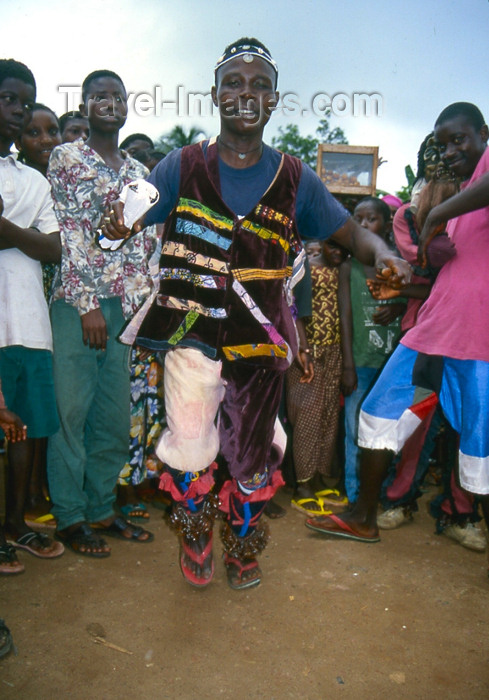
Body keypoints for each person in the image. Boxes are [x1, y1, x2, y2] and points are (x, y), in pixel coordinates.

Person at [102, 38, 410, 590]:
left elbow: (354, 233)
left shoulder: (296, 179)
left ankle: (243, 547)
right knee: (191, 441)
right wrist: (117, 223)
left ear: (273, 101)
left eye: (260, 85)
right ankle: (195, 528)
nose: (247, 93)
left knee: (252, 457)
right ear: (216, 95)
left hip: (261, 340)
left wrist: (385, 254)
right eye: (235, 83)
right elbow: (133, 205)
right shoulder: (182, 165)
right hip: (191, 331)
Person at [305, 102, 489, 562]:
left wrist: (433, 215)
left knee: (480, 442)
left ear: (484, 133)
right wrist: (407, 284)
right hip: (437, 331)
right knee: (382, 411)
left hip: (476, 338)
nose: (448, 151)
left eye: (458, 140)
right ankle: (364, 515)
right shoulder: (467, 198)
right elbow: (457, 274)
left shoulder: (469, 192)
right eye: (441, 143)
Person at [47, 69, 157, 557]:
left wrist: (139, 311)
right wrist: (89, 303)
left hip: (125, 309)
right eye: (99, 96)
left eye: (117, 96)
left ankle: (101, 507)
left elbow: (143, 245)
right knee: (72, 413)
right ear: (85, 104)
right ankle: (70, 518)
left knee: (113, 418)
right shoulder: (67, 157)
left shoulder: (138, 173)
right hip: (78, 305)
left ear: (127, 105)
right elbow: (69, 233)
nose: (109, 103)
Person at [0, 58, 63, 561]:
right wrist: (28, 239)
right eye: (8, 99)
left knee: (21, 426)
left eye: (24, 101)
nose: (17, 111)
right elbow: (38, 242)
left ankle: (15, 524)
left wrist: (9, 234)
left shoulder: (34, 182)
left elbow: (57, 247)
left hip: (29, 322)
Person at [342, 197, 406, 505]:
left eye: (372, 219)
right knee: (355, 433)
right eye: (359, 219)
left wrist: (399, 305)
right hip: (362, 363)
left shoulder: (400, 264)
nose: (365, 225)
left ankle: (380, 496)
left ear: (387, 222)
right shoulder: (348, 266)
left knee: (389, 436)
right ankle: (356, 498)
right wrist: (348, 365)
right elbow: (345, 317)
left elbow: (420, 297)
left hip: (392, 364)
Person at [287, 238, 349, 515]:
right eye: (332, 247)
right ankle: (303, 484)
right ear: (322, 244)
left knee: (328, 417)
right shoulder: (305, 269)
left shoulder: (343, 270)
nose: (337, 252)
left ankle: (321, 476)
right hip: (306, 352)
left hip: (334, 350)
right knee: (307, 419)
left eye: (342, 249)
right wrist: (303, 347)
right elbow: (294, 309)